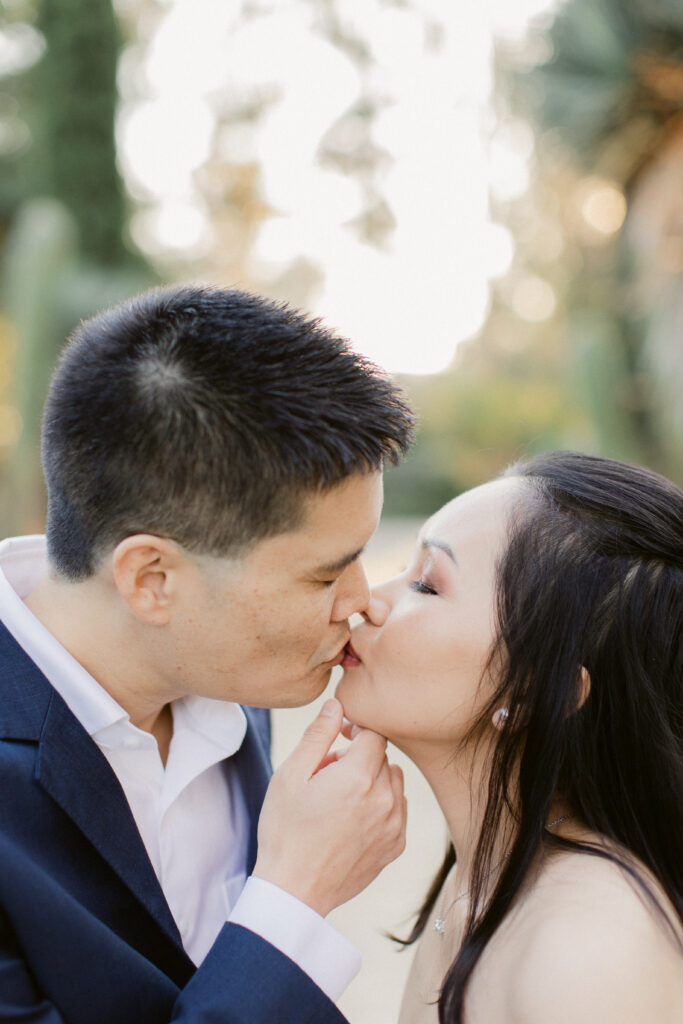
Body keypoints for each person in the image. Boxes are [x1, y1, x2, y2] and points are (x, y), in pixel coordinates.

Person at [0, 284, 415, 1024]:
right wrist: (293, 896)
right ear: (152, 580)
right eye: (325, 573)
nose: (363, 599)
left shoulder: (231, 674)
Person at [337, 451, 683, 1023]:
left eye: (425, 584)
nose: (368, 598)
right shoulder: (480, 882)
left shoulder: (589, 952)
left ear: (530, 692)